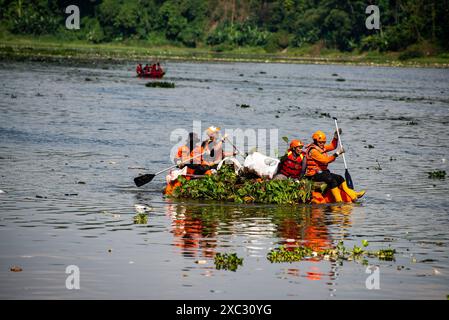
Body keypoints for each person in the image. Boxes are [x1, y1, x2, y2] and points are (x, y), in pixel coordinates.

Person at [305, 130, 365, 202]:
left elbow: (333, 146)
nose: (322, 144)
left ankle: (353, 195)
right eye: (320, 142)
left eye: (323, 142)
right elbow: (326, 160)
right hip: (313, 174)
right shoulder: (313, 151)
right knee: (331, 180)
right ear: (315, 141)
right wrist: (337, 153)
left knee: (340, 178)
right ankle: (339, 201)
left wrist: (335, 137)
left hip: (322, 173)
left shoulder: (321, 148)